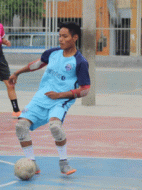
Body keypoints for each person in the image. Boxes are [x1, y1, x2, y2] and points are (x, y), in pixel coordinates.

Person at [9, 22, 91, 175]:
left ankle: (64, 163)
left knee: (55, 126)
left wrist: (60, 95)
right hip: (41, 98)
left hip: (61, 101)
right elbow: (36, 64)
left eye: (64, 36)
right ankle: (32, 163)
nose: (60, 39)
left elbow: (85, 90)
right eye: (59, 36)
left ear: (74, 38)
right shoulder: (53, 53)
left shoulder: (80, 62)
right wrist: (17, 72)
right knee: (20, 126)